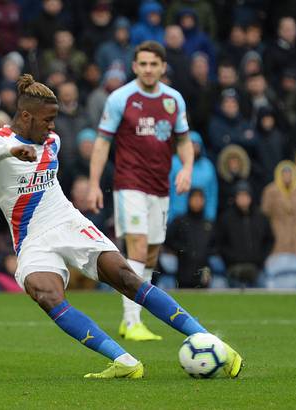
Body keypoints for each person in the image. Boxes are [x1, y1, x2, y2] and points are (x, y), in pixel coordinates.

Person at [0, 73, 242, 379]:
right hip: (30, 238)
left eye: (55, 119)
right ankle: (124, 361)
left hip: (67, 221)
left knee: (127, 278)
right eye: (48, 119)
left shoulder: (52, 142)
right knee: (46, 296)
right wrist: (11, 151)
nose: (52, 126)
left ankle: (211, 341)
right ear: (25, 116)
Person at [87, 41, 194, 341]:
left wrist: (186, 168)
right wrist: (94, 183)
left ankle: (133, 319)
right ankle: (131, 321)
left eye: (153, 64)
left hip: (160, 187)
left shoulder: (174, 100)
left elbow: (184, 141)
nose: (148, 69)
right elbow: (102, 143)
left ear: (162, 67)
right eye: (143, 64)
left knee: (150, 255)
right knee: (137, 246)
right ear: (135, 66)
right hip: (129, 184)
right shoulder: (120, 98)